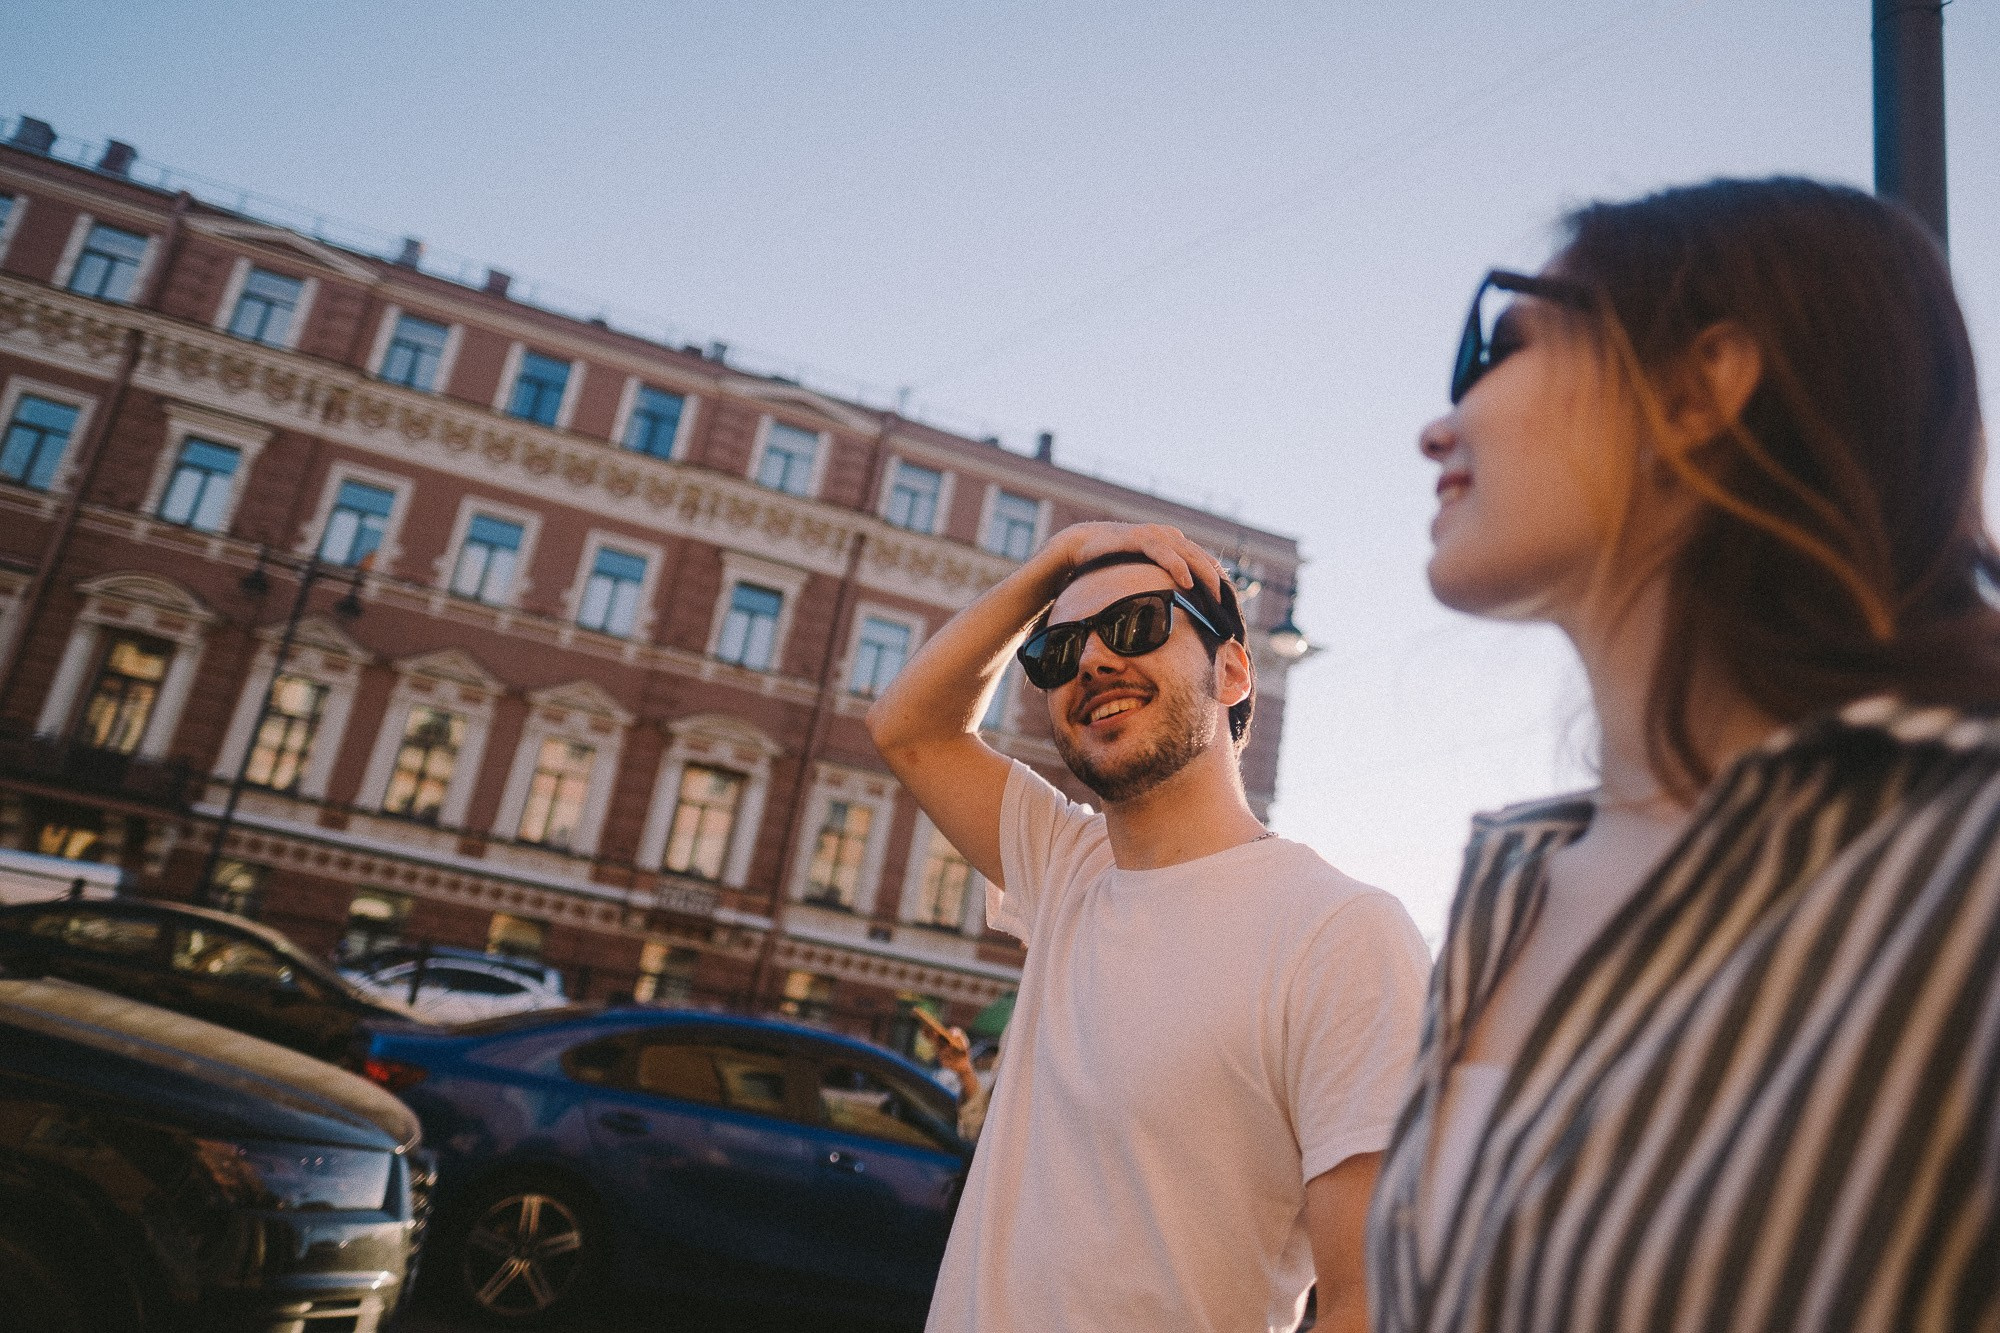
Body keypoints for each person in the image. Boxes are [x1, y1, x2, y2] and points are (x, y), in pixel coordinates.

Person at [1369, 177, 2000, 1333]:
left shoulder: (1965, 857)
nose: (1436, 422)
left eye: (1496, 345)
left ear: (1703, 384)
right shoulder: (1514, 883)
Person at [867, 522, 1430, 1333]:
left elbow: (1376, 1302)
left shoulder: (1341, 933)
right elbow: (909, 726)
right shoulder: (1067, 868)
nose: (1092, 660)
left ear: (1233, 669)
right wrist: (1056, 560)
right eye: (1058, 651)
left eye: (1137, 625)